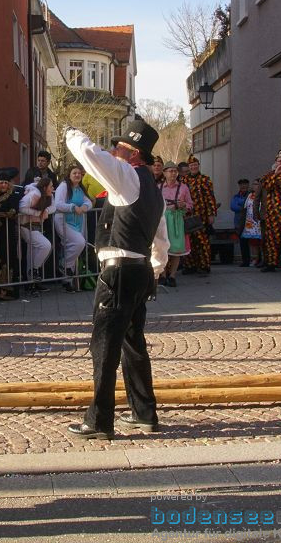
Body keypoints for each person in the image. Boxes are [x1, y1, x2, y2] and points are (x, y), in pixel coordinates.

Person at [63, 117, 169, 439]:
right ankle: (144, 412)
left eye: (119, 146)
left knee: (105, 345)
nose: (113, 150)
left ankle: (98, 421)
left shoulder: (128, 175)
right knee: (133, 344)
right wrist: (154, 270)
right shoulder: (155, 191)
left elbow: (92, 156)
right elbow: (161, 242)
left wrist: (71, 133)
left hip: (120, 271)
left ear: (132, 153)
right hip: (139, 270)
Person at [54, 164, 93, 292]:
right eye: (74, 173)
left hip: (78, 223)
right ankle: (64, 265)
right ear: (69, 175)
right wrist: (72, 207)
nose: (77, 175)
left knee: (70, 247)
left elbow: (88, 202)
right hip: (63, 221)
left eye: (79, 173)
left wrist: (84, 207)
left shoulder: (80, 189)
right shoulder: (64, 186)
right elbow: (58, 204)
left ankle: (68, 282)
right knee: (79, 242)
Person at [158, 161, 193, 287]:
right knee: (162, 248)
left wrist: (183, 205)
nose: (173, 173)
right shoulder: (159, 187)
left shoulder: (183, 187)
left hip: (177, 220)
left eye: (175, 171)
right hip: (162, 220)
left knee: (176, 248)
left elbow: (190, 204)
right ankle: (162, 275)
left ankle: (172, 276)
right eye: (170, 171)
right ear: (164, 173)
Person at [18, 176, 56, 290]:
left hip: (36, 226)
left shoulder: (49, 195)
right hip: (25, 225)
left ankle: (32, 283)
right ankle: (34, 270)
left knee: (33, 252)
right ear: (45, 187)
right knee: (45, 245)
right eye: (51, 186)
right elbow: (21, 207)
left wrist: (47, 210)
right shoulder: (34, 194)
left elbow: (54, 206)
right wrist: (37, 213)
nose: (53, 188)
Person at [180, 155, 216, 274]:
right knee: (188, 241)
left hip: (202, 216)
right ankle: (190, 266)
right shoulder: (184, 180)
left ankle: (204, 265)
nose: (193, 167)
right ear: (189, 167)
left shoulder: (205, 179)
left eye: (195, 165)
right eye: (191, 165)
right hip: (187, 215)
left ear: (198, 166)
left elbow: (210, 197)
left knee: (202, 241)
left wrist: (211, 214)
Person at [230, 178, 251, 266]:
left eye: (245, 184)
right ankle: (245, 261)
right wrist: (243, 205)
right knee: (243, 242)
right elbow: (233, 207)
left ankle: (255, 259)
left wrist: (241, 204)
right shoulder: (236, 196)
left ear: (248, 185)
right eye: (241, 184)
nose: (243, 186)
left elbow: (250, 206)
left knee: (254, 242)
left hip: (249, 222)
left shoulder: (251, 195)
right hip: (239, 222)